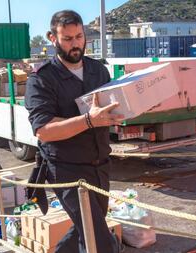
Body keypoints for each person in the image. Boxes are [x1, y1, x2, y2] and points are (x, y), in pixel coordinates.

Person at [25, 10, 124, 253]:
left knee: (87, 229)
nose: (75, 43)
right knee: (100, 243)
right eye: (67, 39)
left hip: (100, 165)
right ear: (52, 38)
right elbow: (44, 131)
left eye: (79, 36)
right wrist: (89, 121)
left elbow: (106, 110)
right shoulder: (41, 79)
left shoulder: (98, 71)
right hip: (67, 170)